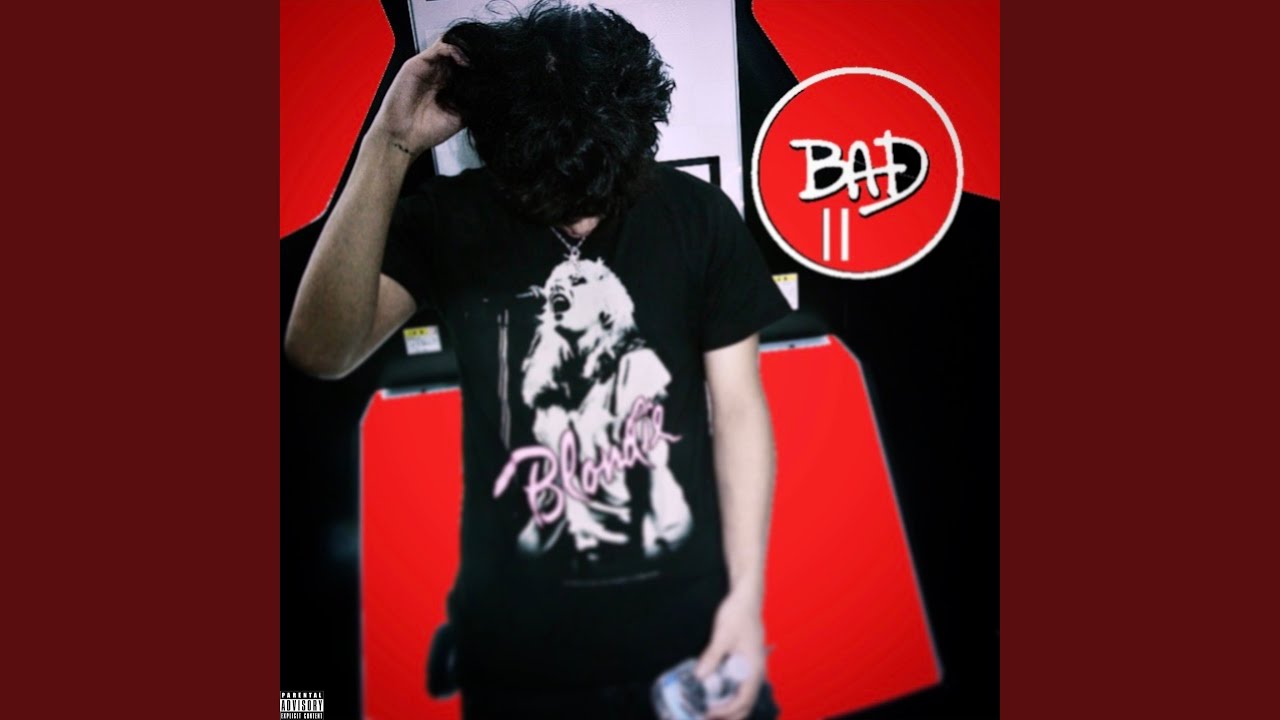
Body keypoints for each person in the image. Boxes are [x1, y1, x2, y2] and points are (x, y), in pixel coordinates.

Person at [284, 3, 790, 718]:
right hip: (520, 651)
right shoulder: (452, 217)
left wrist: (746, 600)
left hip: (691, 629)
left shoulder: (697, 213)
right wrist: (389, 143)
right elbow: (320, 351)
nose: (580, 214)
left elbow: (737, 409)